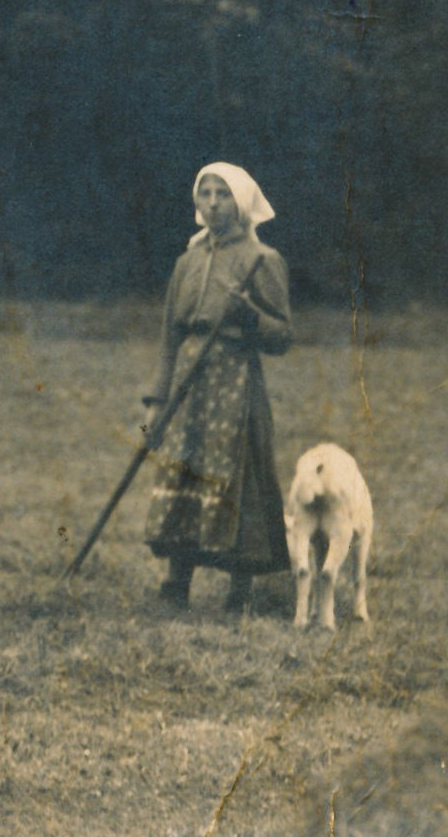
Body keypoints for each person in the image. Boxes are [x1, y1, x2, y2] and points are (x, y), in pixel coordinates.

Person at [141, 162, 293, 614]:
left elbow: (283, 335)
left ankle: (239, 589)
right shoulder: (187, 262)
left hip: (234, 381)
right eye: (205, 194)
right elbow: (170, 336)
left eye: (222, 194)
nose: (212, 203)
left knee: (236, 474)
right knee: (184, 470)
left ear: (241, 202)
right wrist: (156, 402)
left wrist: (252, 317)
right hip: (188, 385)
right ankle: (176, 582)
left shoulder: (262, 261)